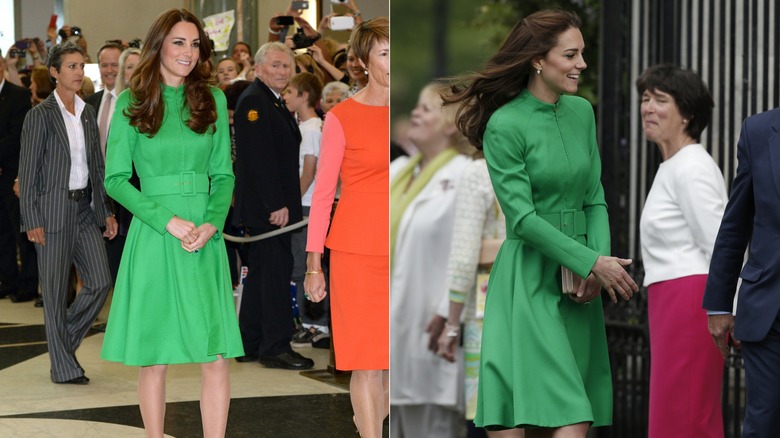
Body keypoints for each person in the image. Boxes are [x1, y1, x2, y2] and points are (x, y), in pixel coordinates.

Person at [445, 10, 638, 436]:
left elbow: (595, 199)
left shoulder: (582, 112)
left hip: (579, 287)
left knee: (575, 411)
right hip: (528, 283)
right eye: (570, 55)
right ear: (537, 59)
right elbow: (524, 219)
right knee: (550, 414)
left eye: (582, 54)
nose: (581, 64)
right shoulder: (504, 124)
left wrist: (596, 264)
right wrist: (591, 261)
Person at [99, 9, 244, 437]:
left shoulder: (212, 98)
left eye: (195, 43)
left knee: (214, 354)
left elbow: (224, 174)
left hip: (204, 235)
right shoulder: (133, 101)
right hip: (156, 234)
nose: (187, 52)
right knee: (154, 355)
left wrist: (213, 222)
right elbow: (115, 179)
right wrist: (168, 221)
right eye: (179, 42)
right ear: (159, 45)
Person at [304, 16, 389, 438]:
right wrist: (313, 263)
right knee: (369, 361)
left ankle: (374, 420)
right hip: (358, 250)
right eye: (386, 53)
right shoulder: (341, 117)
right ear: (363, 61)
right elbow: (323, 195)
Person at [18, 41, 117, 383]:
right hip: (51, 214)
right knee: (57, 293)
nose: (78, 72)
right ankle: (63, 366)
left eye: (81, 66)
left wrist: (105, 211)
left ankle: (62, 342)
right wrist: (31, 220)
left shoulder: (88, 113)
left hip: (85, 210)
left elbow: (98, 166)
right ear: (56, 72)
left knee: (101, 282)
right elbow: (28, 173)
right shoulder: (39, 116)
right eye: (71, 66)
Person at [636, 64, 726, 438]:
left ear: (687, 113)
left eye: (661, 100)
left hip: (691, 301)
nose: (648, 108)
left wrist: (725, 307)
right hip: (671, 300)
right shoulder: (673, 166)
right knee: (675, 417)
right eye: (645, 99)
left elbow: (721, 243)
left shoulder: (691, 167)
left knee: (687, 418)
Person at [389, 82, 473, 438]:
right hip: (391, 336)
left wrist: (450, 312)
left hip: (433, 333)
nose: (416, 114)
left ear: (452, 122)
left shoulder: (466, 175)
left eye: (427, 107)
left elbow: (472, 252)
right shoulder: (399, 171)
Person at [232, 41, 314, 371]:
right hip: (269, 210)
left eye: (286, 66)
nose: (282, 71)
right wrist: (275, 204)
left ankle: (249, 342)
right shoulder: (254, 101)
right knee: (276, 277)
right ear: (259, 68)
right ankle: (276, 347)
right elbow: (258, 158)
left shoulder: (272, 101)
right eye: (275, 65)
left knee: (262, 276)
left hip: (271, 207)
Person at [434, 153, 524, 438]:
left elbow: (464, 255)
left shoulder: (479, 172)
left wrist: (451, 324)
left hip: (488, 302)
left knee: (489, 410)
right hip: (536, 298)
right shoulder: (536, 164)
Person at [704, 112, 780, 436]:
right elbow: (735, 223)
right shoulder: (759, 131)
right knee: (763, 424)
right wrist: (720, 305)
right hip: (770, 311)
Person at [282, 71, 331, 347]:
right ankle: (309, 322)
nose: (285, 96)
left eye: (290, 92)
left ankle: (315, 324)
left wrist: (292, 202)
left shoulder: (312, 129)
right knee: (299, 267)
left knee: (305, 268)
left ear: (304, 96)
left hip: (307, 204)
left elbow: (309, 170)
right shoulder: (305, 127)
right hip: (304, 204)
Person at [0, 52, 37, 303]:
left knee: (20, 231)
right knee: (1, 232)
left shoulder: (18, 95)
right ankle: (8, 280)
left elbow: (17, 137)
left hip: (12, 174)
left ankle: (27, 284)